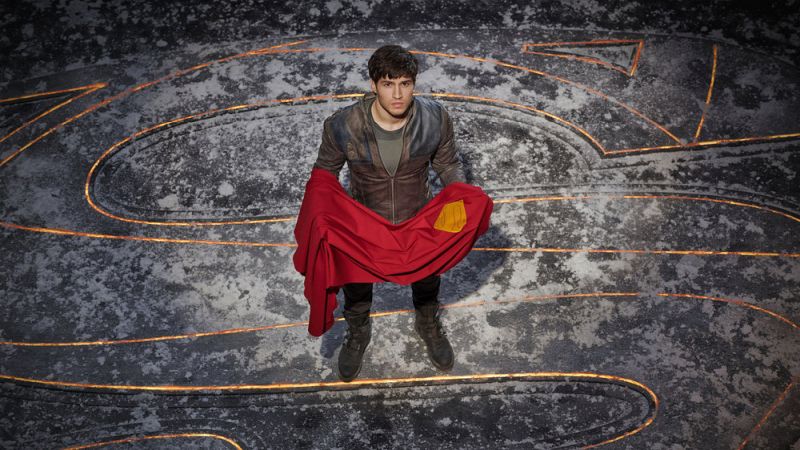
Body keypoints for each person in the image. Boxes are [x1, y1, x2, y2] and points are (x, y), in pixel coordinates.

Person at [312, 44, 467, 382]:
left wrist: (458, 197)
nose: (397, 95)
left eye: (405, 84)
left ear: (414, 84)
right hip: (364, 221)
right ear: (373, 85)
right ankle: (358, 330)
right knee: (356, 285)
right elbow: (324, 174)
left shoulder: (435, 118)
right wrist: (326, 218)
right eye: (388, 84)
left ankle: (427, 321)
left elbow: (448, 164)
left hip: (418, 217)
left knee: (427, 278)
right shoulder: (343, 125)